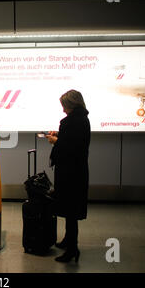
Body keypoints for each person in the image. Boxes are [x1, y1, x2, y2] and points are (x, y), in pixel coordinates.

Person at [43, 89, 91, 263]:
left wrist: (55, 140)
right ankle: (68, 240)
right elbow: (74, 142)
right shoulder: (83, 119)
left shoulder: (70, 122)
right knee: (72, 209)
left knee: (70, 211)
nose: (63, 110)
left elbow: (66, 148)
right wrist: (59, 135)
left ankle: (72, 249)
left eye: (65, 106)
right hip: (78, 172)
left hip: (69, 174)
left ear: (71, 105)